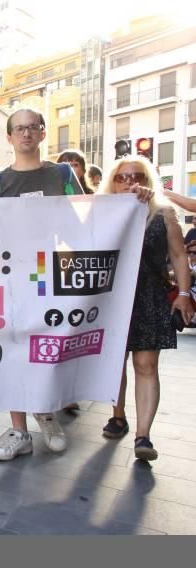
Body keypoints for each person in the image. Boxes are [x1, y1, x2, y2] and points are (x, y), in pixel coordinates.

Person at [0, 108, 150, 461]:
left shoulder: (63, 173)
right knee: (13, 353)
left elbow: (88, 214)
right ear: (9, 137)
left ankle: (47, 415)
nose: (26, 133)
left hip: (54, 276)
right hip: (10, 278)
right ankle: (19, 430)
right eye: (19, 128)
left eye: (33, 127)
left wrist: (132, 200)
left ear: (42, 134)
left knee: (47, 350)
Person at [99, 156, 194, 461]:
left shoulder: (163, 213)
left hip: (149, 295)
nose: (129, 182)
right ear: (112, 183)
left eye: (136, 176)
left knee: (146, 365)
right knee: (115, 364)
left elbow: (179, 256)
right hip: (110, 299)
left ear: (148, 178)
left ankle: (143, 436)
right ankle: (118, 416)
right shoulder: (99, 212)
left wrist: (183, 293)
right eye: (122, 177)